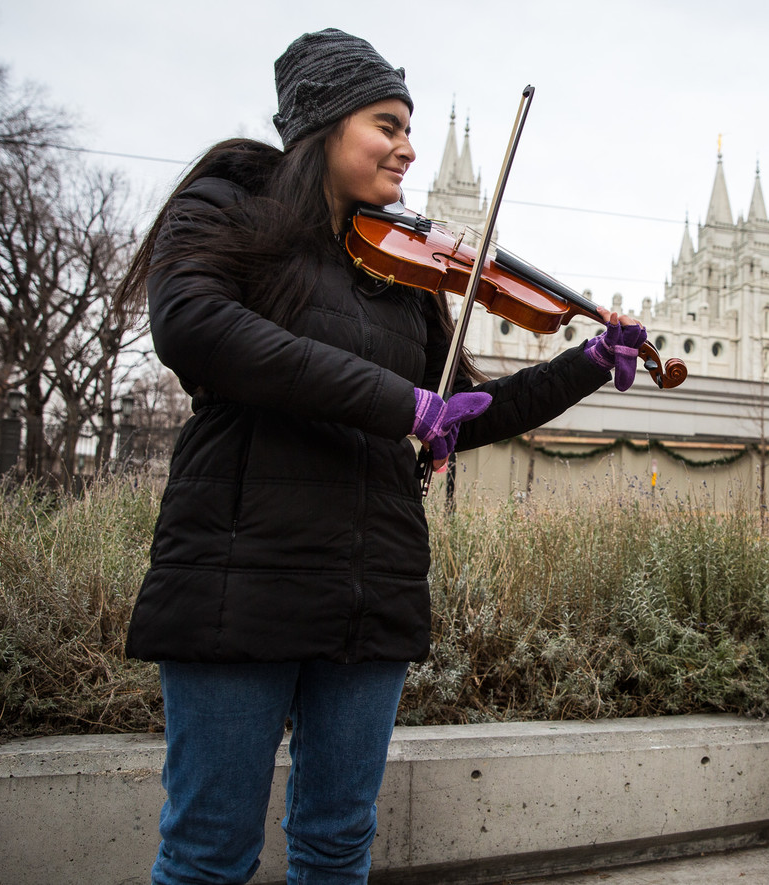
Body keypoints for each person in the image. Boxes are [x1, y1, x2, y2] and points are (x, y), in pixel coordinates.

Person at [115, 28, 648, 885]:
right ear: (324, 122)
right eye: (387, 123)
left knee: (337, 843)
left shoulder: (399, 268)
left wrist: (583, 365)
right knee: (209, 851)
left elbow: (463, 411)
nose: (408, 147)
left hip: (371, 585)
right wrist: (400, 402)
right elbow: (196, 327)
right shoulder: (228, 204)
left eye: (411, 128)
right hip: (238, 574)